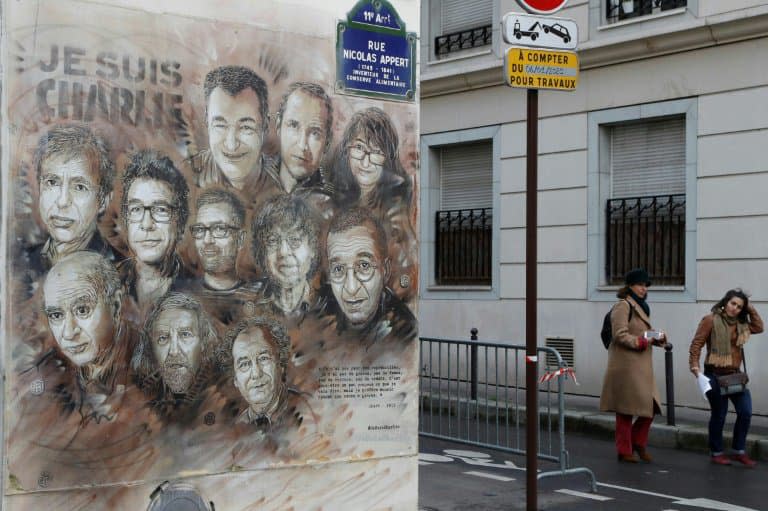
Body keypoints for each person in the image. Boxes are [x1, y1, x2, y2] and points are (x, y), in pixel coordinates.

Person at [329, 107, 416, 302]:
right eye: (359, 148)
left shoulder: (395, 207)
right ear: (347, 151)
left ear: (387, 158)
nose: (365, 161)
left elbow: (403, 279)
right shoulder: (335, 200)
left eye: (376, 151)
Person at [40, 250, 134, 422]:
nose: (68, 333)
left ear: (116, 305)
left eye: (82, 310)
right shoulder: (46, 373)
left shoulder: (150, 365)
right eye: (56, 315)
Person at [25, 124, 119, 279]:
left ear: (103, 200)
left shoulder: (123, 273)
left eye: (80, 187)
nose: (62, 202)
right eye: (52, 182)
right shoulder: (19, 265)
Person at [689, 288, 763, 467]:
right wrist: (695, 367)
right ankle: (717, 452)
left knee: (745, 412)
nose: (735, 308)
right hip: (714, 374)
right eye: (733, 303)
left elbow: (759, 327)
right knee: (719, 415)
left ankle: (739, 451)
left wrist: (750, 308)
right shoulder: (710, 320)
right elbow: (696, 344)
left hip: (735, 375)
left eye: (739, 306)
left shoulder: (741, 324)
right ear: (725, 302)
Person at [320, 208, 416, 345]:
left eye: (364, 266)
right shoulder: (319, 312)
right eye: (338, 269)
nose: (351, 288)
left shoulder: (404, 333)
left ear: (385, 271)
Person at [599, 268, 667, 463]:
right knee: (626, 410)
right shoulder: (623, 306)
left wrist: (658, 337)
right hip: (626, 365)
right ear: (629, 286)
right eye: (640, 285)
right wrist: (642, 342)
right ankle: (624, 449)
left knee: (651, 407)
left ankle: (637, 442)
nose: (643, 289)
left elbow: (643, 332)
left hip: (641, 366)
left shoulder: (642, 307)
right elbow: (619, 335)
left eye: (645, 285)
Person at [132, 292, 223, 422]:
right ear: (152, 347)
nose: (174, 351)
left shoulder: (223, 393)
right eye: (163, 338)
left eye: (185, 335)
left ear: (203, 342)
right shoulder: (140, 396)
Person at [118, 150, 192, 309]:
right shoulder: (108, 283)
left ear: (180, 222)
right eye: (136, 209)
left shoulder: (196, 290)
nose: (147, 224)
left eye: (160, 210)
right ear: (126, 221)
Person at [189, 65, 274, 202]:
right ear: (207, 121)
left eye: (246, 127)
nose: (232, 145)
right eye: (220, 125)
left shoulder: (284, 184)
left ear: (264, 126)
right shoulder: (185, 177)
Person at [186, 188, 264, 329]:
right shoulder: (183, 297)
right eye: (200, 230)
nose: (207, 240)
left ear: (240, 239)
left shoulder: (261, 297)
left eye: (219, 229)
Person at [226, 316, 314, 429]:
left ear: (281, 364)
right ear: (235, 380)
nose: (256, 374)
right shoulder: (236, 429)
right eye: (244, 364)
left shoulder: (307, 409)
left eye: (263, 358)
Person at [251, 195, 321, 322]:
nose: (283, 252)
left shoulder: (330, 305)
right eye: (272, 241)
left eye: (294, 240)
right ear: (262, 252)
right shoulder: (246, 302)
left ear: (312, 248)